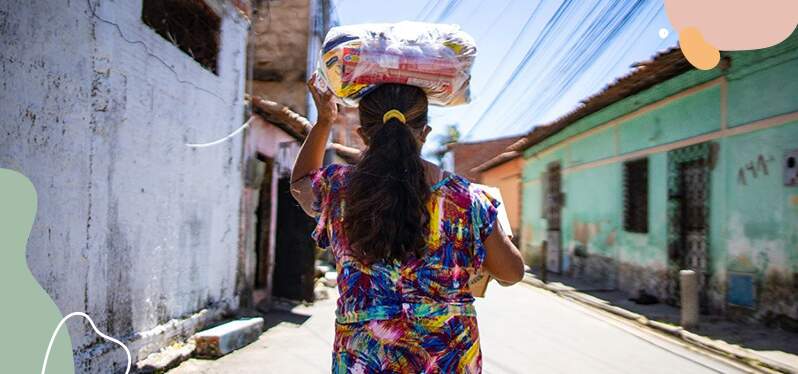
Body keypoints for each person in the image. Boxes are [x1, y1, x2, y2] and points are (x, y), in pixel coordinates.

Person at [291, 75, 525, 373]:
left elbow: (300, 183)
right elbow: (512, 272)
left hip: (364, 358)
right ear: (425, 132)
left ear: (363, 134)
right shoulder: (466, 198)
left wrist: (324, 121)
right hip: (446, 358)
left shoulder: (339, 189)